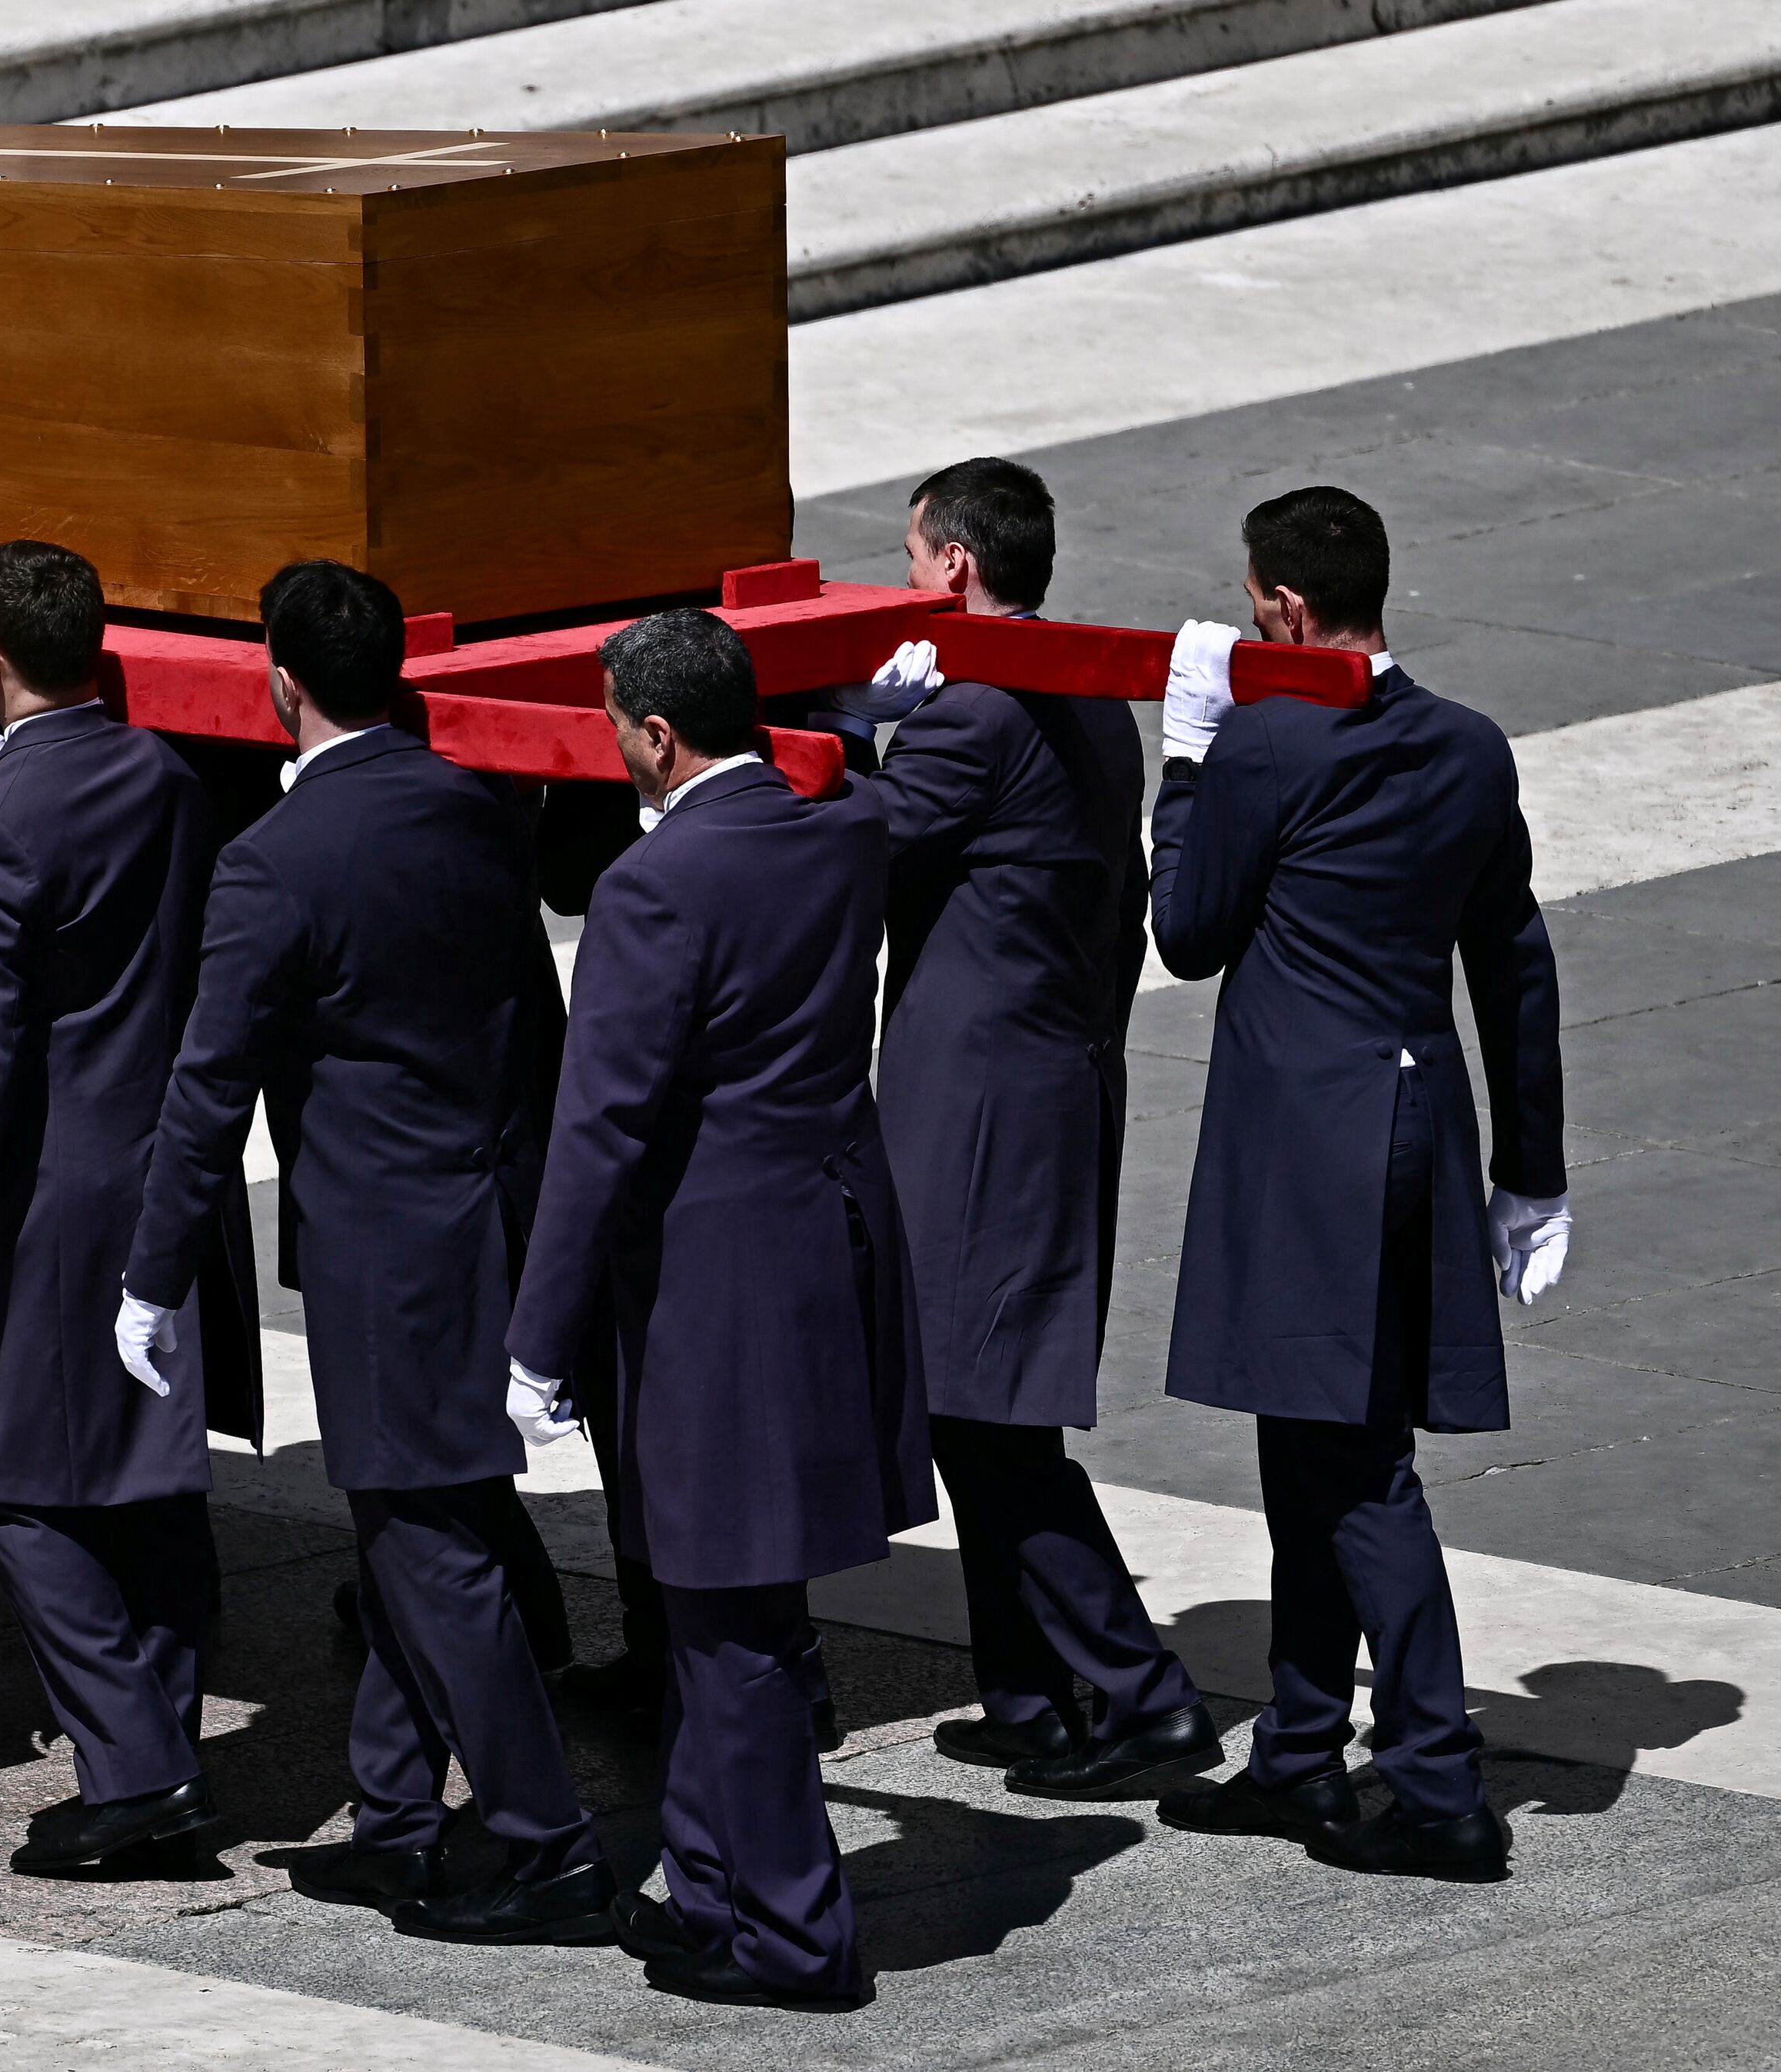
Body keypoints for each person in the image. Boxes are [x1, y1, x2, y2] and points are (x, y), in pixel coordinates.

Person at [128, 562, 611, 1944]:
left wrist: (154, 1270)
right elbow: (536, 1020)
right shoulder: (472, 806)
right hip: (478, 1215)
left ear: (281, 679)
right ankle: (395, 1815)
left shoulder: (274, 861)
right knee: (412, 1525)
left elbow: (209, 1086)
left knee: (430, 1541)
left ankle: (544, 1833)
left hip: (386, 1252)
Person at [508, 608, 932, 2013]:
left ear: (653, 732)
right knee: (714, 1607)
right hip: (824, 1258)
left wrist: (538, 1338)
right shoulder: (843, 829)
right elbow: (863, 779)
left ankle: (797, 1939)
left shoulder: (653, 885)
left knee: (734, 1624)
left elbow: (602, 1126)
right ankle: (709, 1884)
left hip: (719, 1295)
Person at [1147, 486, 1565, 1883]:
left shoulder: (1270, 739)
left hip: (1304, 1146)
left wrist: (1188, 758)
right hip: (1415, 1123)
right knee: (1307, 1444)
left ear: (1280, 606)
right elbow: (1512, 962)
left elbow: (1191, 928)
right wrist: (1533, 1172)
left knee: (1355, 1465)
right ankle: (1301, 1744)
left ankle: (1440, 1781)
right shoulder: (1466, 746)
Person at [826, 459, 1213, 1799]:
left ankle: (1138, 1690)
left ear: (951, 568)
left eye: (909, 555)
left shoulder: (971, 714)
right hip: (1050, 1069)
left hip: (978, 1095)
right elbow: (1127, 901)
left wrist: (827, 738)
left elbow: (856, 855)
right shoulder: (1086, 695)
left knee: (982, 1409)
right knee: (970, 1394)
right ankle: (1032, 1690)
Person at [0, 539, 245, 1879]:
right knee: (147, 1477)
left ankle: (139, 1766)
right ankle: (162, 1744)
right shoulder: (163, 775)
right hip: (161, 1166)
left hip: (47, 1198)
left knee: (11, 1478)